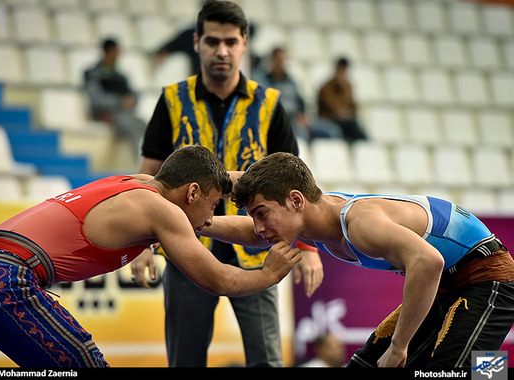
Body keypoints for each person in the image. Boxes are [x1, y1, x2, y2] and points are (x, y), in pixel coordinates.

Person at [0, 145, 301, 368]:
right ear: (192, 192)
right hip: (1, 281)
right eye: (212, 205)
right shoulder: (164, 211)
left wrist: (282, 198)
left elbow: (224, 187)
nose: (210, 217)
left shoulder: (137, 183)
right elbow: (219, 279)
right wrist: (269, 275)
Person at [132, 0, 323, 367]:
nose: (222, 51)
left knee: (267, 361)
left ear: (244, 44)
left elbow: (298, 183)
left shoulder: (269, 104)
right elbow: (149, 178)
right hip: (185, 246)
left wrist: (309, 248)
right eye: (213, 41)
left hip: (256, 248)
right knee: (185, 361)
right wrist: (141, 243)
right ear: (196, 42)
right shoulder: (171, 100)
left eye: (231, 42)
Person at [201, 152, 514, 369]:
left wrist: (399, 346)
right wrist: (192, 220)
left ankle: (496, 371)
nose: (258, 227)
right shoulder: (305, 217)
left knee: (446, 370)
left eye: (261, 215)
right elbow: (248, 207)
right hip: (446, 282)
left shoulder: (360, 223)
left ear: (296, 200)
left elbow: (428, 261)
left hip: (487, 275)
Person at [84, 38, 145, 157]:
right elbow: (96, 99)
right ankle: (141, 163)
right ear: (107, 52)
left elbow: (133, 94)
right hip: (105, 114)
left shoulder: (120, 76)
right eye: (115, 52)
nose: (117, 56)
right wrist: (120, 102)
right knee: (133, 125)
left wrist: (132, 100)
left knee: (145, 125)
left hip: (123, 113)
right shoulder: (92, 74)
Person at [254, 47, 311, 141]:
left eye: (283, 60)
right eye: (278, 60)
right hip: (275, 120)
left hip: (293, 118)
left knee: (330, 132)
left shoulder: (291, 81)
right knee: (299, 135)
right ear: (272, 61)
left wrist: (303, 115)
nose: (281, 63)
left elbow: (300, 101)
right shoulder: (263, 81)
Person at [314, 57, 368, 142]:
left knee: (359, 133)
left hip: (345, 121)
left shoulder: (347, 86)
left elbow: (353, 106)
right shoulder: (326, 88)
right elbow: (333, 108)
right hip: (330, 120)